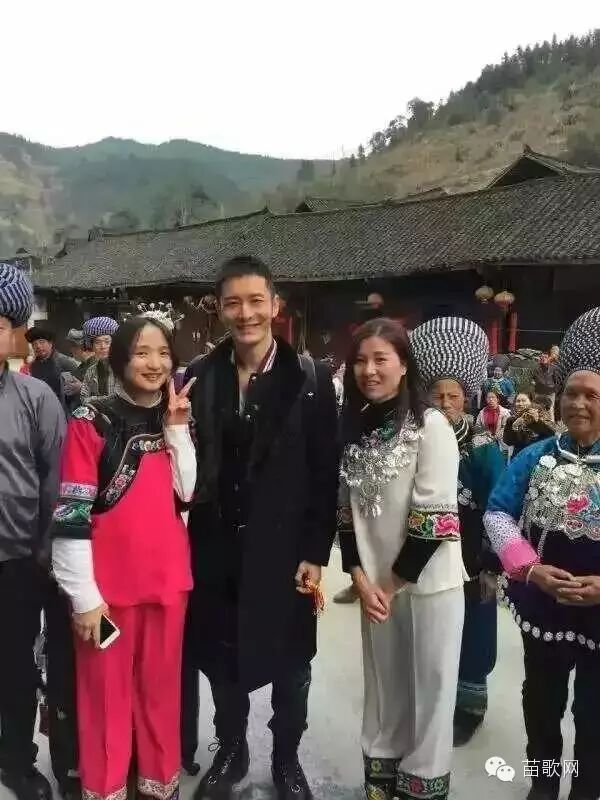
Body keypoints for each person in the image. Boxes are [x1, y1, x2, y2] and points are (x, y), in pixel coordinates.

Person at [184, 255, 339, 800]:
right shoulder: (200, 375)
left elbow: (325, 474)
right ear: (219, 309)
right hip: (217, 545)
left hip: (285, 549)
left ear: (275, 306)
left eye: (256, 301)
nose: (245, 313)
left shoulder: (311, 380)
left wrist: (315, 551)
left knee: (292, 663)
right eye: (233, 302)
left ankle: (286, 757)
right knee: (222, 659)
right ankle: (232, 749)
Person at [50, 316, 196, 800]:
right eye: (141, 352)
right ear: (118, 359)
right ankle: (106, 788)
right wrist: (83, 597)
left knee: (161, 695)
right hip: (107, 595)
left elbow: (187, 494)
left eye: (163, 353)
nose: (155, 363)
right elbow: (71, 515)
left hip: (168, 584)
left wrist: (177, 430)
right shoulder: (91, 420)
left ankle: (159, 786)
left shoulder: (175, 415)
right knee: (105, 701)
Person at [338, 318, 464, 800]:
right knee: (384, 690)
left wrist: (390, 586)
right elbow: (344, 514)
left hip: (428, 585)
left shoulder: (431, 427)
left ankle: (422, 786)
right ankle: (381, 778)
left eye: (380, 359)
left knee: (430, 692)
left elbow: (435, 520)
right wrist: (359, 577)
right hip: (374, 587)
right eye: (360, 361)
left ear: (404, 365)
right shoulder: (352, 427)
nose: (369, 370)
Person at [484, 306, 600, 800]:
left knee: (594, 714)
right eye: (571, 393)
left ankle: (587, 789)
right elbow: (497, 514)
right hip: (543, 607)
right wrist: (530, 570)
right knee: (541, 705)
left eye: (591, 395)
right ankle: (544, 784)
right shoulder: (535, 456)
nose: (578, 404)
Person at [411, 317, 505, 747]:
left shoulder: (483, 448)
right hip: (427, 557)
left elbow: (499, 505)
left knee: (474, 633)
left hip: (472, 558)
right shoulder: (417, 439)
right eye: (438, 396)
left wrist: (491, 565)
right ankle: (432, 702)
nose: (446, 403)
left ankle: (469, 705)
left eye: (454, 396)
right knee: (430, 634)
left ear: (466, 399)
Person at [0, 263, 66, 800]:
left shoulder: (37, 398)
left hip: (17, 560)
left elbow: (58, 483)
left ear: (15, 332)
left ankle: (16, 760)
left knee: (16, 666)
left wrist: (48, 552)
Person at [25, 326, 78, 409]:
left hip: (63, 410)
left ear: (50, 344)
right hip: (42, 409)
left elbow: (73, 391)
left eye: (41, 342)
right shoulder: (33, 366)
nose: (38, 346)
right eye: (34, 344)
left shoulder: (65, 363)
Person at [503, 393, 555, 458]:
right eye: (518, 401)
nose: (520, 404)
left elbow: (552, 432)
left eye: (524, 400)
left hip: (539, 454)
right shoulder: (511, 419)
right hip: (520, 455)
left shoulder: (541, 415)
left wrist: (537, 422)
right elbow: (507, 441)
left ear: (530, 402)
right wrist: (515, 428)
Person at [80, 316, 119, 401]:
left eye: (107, 342)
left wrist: (93, 399)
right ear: (92, 346)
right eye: (97, 342)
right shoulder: (91, 371)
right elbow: (83, 398)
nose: (103, 347)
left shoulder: (122, 368)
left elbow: (118, 398)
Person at [532, 352, 560, 417]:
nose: (543, 358)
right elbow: (533, 379)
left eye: (545, 357)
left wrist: (555, 390)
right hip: (539, 392)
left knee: (550, 409)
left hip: (550, 392)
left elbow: (557, 381)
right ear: (540, 358)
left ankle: (551, 422)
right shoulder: (536, 368)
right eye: (542, 357)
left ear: (548, 358)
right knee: (537, 408)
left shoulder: (553, 368)